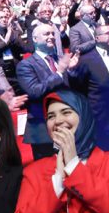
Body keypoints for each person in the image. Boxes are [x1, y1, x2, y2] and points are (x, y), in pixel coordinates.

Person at [16, 23, 80, 160]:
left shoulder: (59, 60)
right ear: (35, 39)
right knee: (48, 170)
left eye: (52, 33)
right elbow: (34, 91)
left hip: (66, 126)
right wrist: (59, 73)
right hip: (43, 129)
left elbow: (71, 88)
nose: (51, 36)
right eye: (46, 34)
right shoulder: (26, 65)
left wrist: (71, 70)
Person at [69, 24, 109, 151]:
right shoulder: (86, 60)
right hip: (99, 120)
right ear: (97, 38)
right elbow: (78, 90)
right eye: (108, 33)